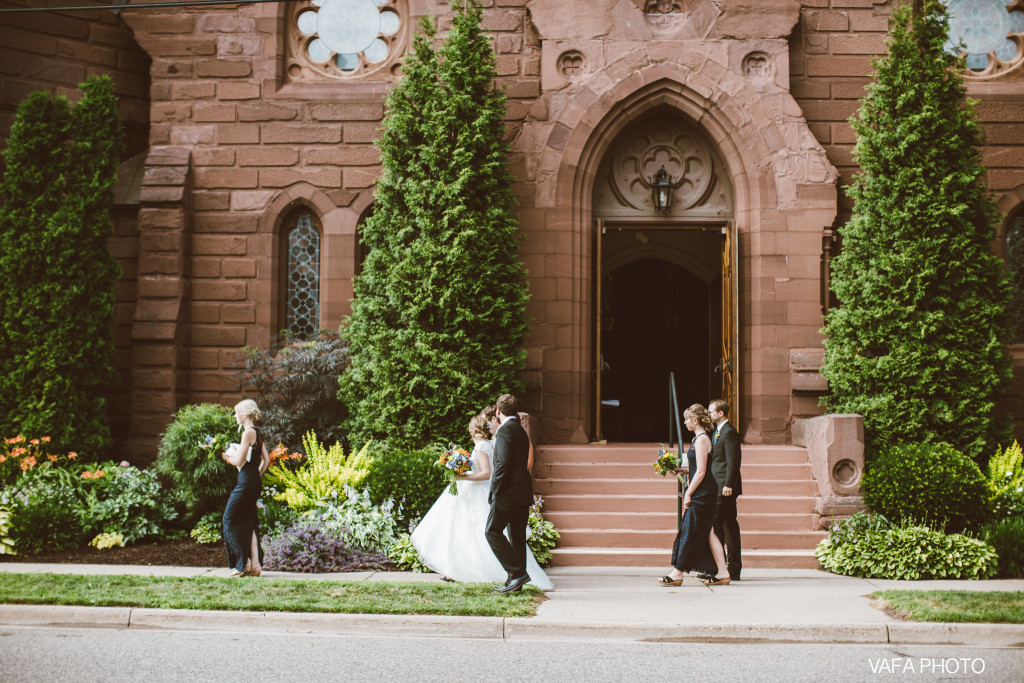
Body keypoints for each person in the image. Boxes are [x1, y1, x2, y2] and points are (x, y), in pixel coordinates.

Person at [410, 410, 552, 589]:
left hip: (482, 491)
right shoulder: (492, 442)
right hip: (488, 491)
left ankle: (511, 573)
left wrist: (462, 477)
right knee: (472, 531)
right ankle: (505, 573)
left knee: (484, 532)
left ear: (473, 428)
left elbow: (487, 473)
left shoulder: (482, 446)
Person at [657, 403, 730, 587]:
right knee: (708, 531)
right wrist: (680, 469)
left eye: (687, 419)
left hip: (703, 492)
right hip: (703, 490)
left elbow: (701, 472)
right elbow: (695, 468)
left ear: (695, 420)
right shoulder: (700, 438)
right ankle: (722, 571)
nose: (684, 422)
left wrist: (688, 493)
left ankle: (677, 573)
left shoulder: (702, 439)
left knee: (690, 530)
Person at [486, 393, 536, 593]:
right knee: (516, 535)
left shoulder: (505, 431)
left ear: (498, 412)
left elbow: (502, 465)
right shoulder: (521, 431)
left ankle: (516, 573)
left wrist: (494, 491)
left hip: (507, 492)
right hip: (522, 492)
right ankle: (515, 582)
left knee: (491, 531)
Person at [221, 399, 270, 578]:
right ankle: (254, 565)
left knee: (229, 518)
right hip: (254, 483)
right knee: (249, 522)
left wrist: (224, 455)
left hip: (245, 483)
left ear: (245, 414)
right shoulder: (258, 433)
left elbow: (238, 461)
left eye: (236, 413)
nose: (235, 416)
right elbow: (267, 460)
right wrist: (256, 474)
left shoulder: (247, 433)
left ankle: (243, 563)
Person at [709, 398, 743, 581]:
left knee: (713, 524)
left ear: (720, 413)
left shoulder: (729, 433)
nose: (709, 414)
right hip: (719, 485)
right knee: (729, 526)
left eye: (711, 412)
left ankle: (719, 567)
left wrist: (729, 484)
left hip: (725, 488)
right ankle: (733, 569)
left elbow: (733, 462)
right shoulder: (717, 432)